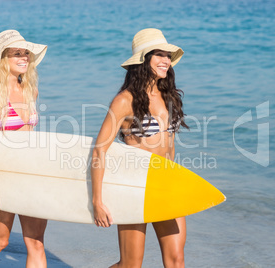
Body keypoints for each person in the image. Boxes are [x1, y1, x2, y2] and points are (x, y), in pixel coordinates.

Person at [91, 28, 188, 268]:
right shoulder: (125, 100)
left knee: (176, 260)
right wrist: (97, 201)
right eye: (159, 55)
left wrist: (175, 180)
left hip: (165, 185)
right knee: (130, 265)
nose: (166, 60)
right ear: (144, 60)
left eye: (168, 56)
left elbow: (170, 146)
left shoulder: (168, 95)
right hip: (135, 187)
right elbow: (99, 150)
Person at [0, 30, 48, 268]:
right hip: (3, 179)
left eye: (26, 53)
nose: (24, 57)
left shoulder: (30, 91)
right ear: (3, 58)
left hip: (31, 177)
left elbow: (30, 139)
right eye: (17, 54)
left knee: (36, 242)